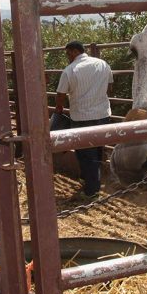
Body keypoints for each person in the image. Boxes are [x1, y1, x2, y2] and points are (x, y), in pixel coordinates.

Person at [54, 40, 113, 200]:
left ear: (73, 51)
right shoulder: (103, 64)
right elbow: (110, 87)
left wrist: (59, 110)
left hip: (81, 118)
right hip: (102, 114)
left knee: (85, 154)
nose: (67, 57)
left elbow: (60, 95)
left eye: (68, 54)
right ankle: (93, 182)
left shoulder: (70, 70)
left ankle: (91, 191)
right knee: (98, 150)